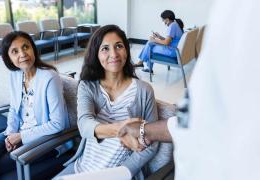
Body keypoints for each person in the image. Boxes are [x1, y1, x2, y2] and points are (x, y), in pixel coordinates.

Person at [119, 0, 260, 179]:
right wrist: (146, 130)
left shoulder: (247, 14)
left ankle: (143, 63)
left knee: (149, 43)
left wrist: (155, 39)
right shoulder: (181, 24)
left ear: (167, 18)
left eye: (163, 20)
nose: (163, 22)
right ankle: (144, 62)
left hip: (172, 52)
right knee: (151, 43)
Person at [54, 25, 171, 179]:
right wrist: (120, 129)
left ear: (127, 50)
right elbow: (84, 124)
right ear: (96, 54)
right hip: (82, 168)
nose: (114, 54)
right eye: (105, 49)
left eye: (119, 46)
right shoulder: (88, 85)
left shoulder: (144, 90)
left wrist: (124, 171)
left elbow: (152, 144)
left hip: (119, 173)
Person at [0, 31, 70, 180]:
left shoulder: (49, 77)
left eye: (25, 47)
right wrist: (10, 134)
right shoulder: (15, 75)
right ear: (9, 58)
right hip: (18, 132)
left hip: (47, 140)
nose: (22, 54)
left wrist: (21, 136)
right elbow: (14, 109)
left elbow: (58, 124)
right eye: (15, 51)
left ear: (33, 48)